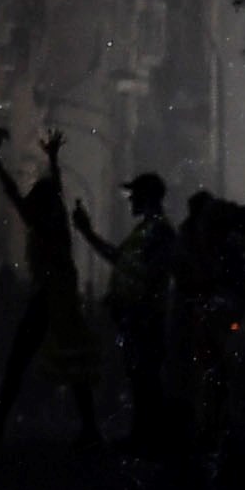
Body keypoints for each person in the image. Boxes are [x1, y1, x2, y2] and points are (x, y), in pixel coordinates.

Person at [0, 129, 100, 448]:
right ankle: (89, 427)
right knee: (72, 362)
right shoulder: (55, 215)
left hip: (52, 296)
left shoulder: (45, 221)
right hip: (60, 295)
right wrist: (52, 159)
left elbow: (15, 196)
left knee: (21, 358)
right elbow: (55, 190)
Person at [80, 169, 180, 456]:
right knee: (139, 377)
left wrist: (140, 305)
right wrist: (87, 233)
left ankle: (150, 439)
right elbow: (122, 261)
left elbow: (154, 272)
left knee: (145, 378)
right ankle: (144, 436)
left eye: (134, 194)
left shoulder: (159, 231)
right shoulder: (146, 230)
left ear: (146, 197)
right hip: (136, 316)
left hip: (145, 317)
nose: (130, 200)